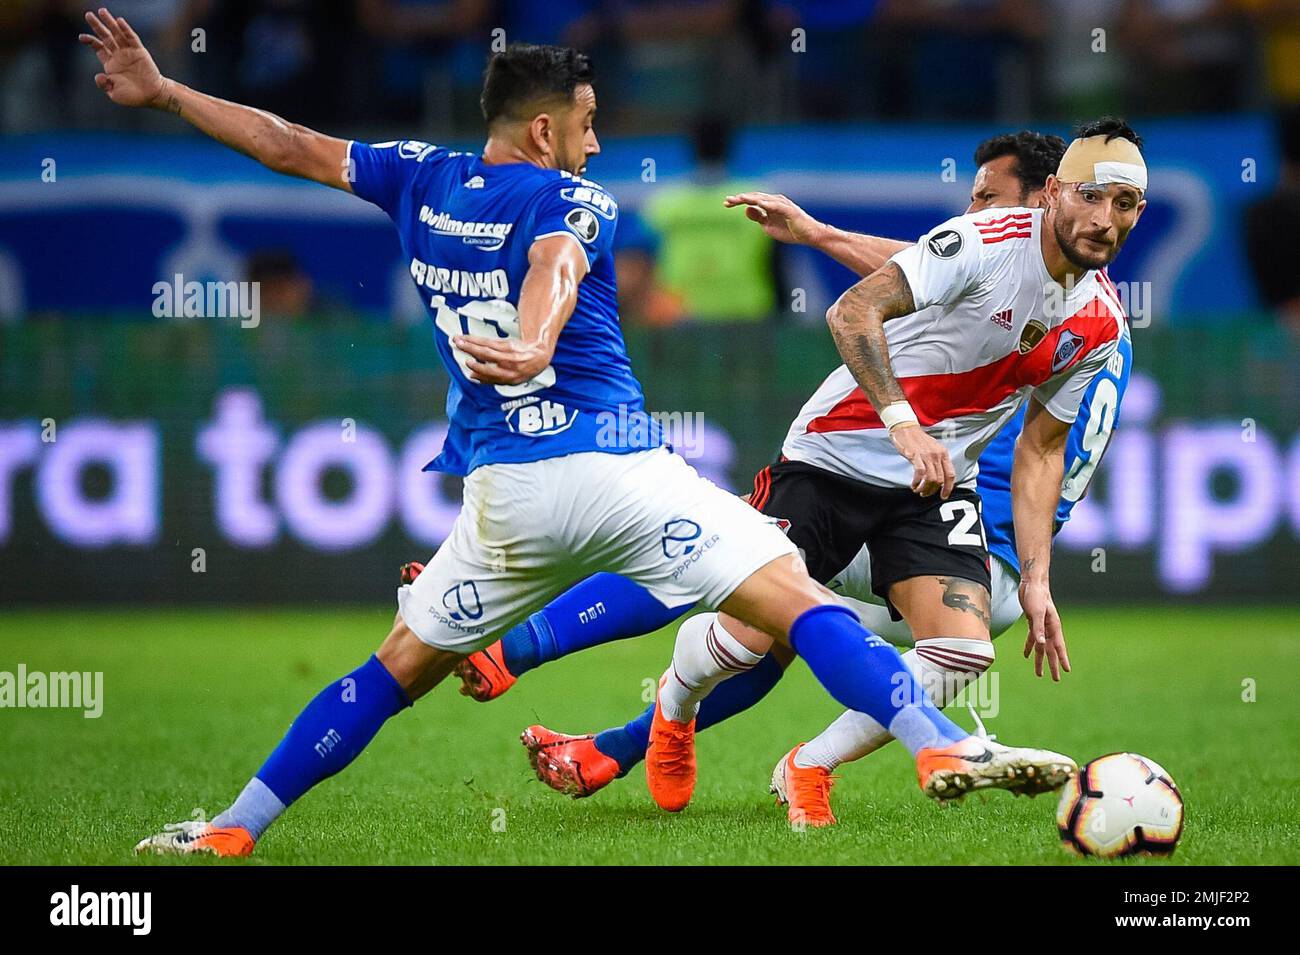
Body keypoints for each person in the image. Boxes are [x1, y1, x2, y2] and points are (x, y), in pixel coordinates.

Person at [78, 8, 1069, 857]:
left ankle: (233, 826)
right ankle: (941, 742)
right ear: (547, 129)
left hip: (502, 498)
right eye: (589, 127)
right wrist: (537, 335)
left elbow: (287, 141)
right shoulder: (572, 197)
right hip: (615, 469)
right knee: (799, 603)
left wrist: (168, 93)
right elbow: (555, 260)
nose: (596, 147)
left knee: (387, 675)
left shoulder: (418, 175)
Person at [445, 130, 1135, 826]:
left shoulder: (1078, 309)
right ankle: (650, 725)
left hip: (944, 500)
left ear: (1044, 196)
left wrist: (1035, 571)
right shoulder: (1015, 265)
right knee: (751, 623)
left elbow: (1037, 446)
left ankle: (807, 753)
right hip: (864, 473)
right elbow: (898, 283)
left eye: (986, 195)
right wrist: (823, 241)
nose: (971, 206)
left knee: (761, 592)